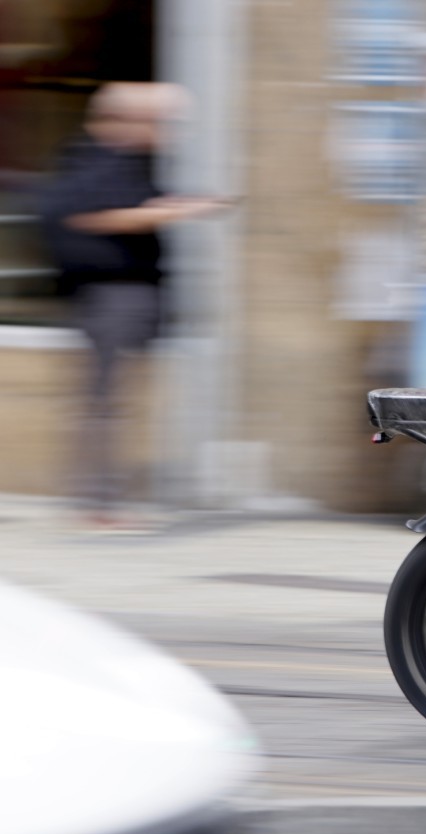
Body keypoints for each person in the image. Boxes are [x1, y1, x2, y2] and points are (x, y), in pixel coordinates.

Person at [39, 82, 227, 528]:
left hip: (123, 296)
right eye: (157, 121)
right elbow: (85, 214)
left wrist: (175, 206)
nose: (165, 131)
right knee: (104, 401)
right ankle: (96, 501)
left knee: (108, 400)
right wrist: (165, 213)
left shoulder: (125, 163)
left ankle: (100, 498)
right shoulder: (98, 161)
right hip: (111, 295)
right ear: (124, 122)